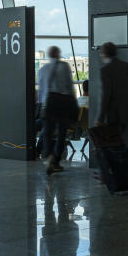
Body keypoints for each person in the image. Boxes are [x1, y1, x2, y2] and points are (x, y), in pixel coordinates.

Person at [95, 42, 128, 156]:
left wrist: (100, 118)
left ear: (104, 54)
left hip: (113, 114)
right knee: (121, 140)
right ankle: (123, 161)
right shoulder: (127, 66)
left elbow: (106, 95)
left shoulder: (105, 70)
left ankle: (117, 165)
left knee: (112, 142)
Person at [38, 46, 77, 174]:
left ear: (49, 55)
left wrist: (42, 105)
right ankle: (55, 160)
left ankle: (48, 156)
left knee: (48, 133)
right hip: (63, 102)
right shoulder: (64, 66)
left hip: (49, 103)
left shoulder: (43, 69)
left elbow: (42, 89)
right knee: (61, 133)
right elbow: (69, 86)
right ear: (58, 54)